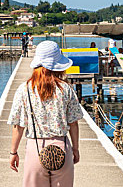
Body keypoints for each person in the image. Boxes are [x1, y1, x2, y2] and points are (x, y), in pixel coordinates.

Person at [8, 41, 83, 187]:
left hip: (35, 149)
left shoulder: (24, 89)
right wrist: (75, 149)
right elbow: (73, 123)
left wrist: (13, 152)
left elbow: (18, 126)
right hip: (61, 148)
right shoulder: (66, 89)